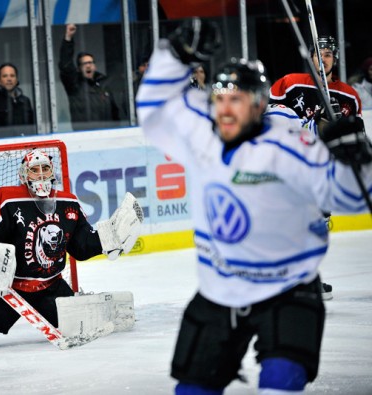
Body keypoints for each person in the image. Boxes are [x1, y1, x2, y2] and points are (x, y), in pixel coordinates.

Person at [136, 18, 372, 394]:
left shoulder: (291, 143)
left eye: (238, 100)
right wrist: (174, 57)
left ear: (259, 103)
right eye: (220, 98)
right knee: (192, 389)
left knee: (280, 383)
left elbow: (351, 196)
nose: (226, 109)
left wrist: (357, 162)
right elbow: (153, 108)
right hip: (220, 289)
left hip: (289, 286)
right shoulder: (201, 127)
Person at [0, 148, 143, 342]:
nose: (41, 173)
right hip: (10, 289)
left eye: (45, 168)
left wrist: (108, 239)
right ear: (24, 174)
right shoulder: (6, 199)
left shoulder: (67, 202)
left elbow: (81, 246)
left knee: (83, 329)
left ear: (52, 172)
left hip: (51, 288)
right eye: (35, 169)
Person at [269, 36, 365, 300]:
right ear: (309, 57)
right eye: (317, 54)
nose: (322, 59)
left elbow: (355, 137)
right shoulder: (290, 83)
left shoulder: (348, 95)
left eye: (328, 54)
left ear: (335, 59)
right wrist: (312, 125)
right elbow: (272, 121)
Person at [58, 23, 121, 130]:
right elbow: (65, 65)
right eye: (84, 63)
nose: (88, 65)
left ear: (95, 66)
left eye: (91, 63)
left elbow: (114, 111)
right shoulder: (74, 85)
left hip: (107, 135)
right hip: (84, 134)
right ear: (78, 68)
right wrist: (68, 38)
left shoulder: (104, 83)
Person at [0, 63, 35, 134]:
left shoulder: (25, 101)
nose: (9, 79)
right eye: (5, 76)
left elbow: (32, 128)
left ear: (16, 80)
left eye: (12, 76)